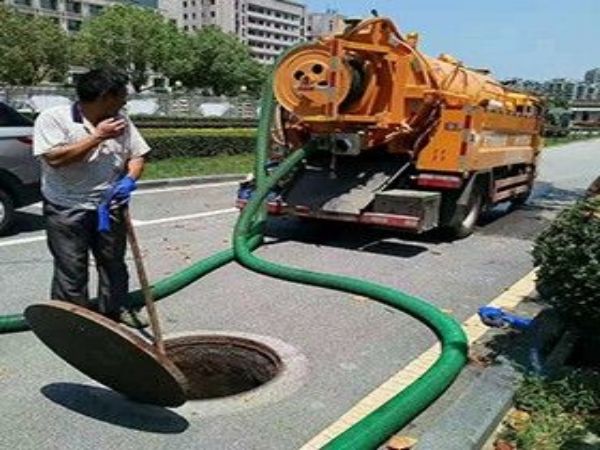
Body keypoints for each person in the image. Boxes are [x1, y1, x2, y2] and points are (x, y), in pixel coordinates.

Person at [33, 68, 150, 328]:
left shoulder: (121, 120)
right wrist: (97, 137)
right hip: (66, 208)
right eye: (121, 95)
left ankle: (116, 309)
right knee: (71, 267)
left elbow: (137, 155)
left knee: (113, 262)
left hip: (110, 206)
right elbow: (55, 159)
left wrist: (129, 179)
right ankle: (72, 321)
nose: (125, 101)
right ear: (106, 96)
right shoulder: (54, 119)